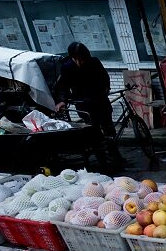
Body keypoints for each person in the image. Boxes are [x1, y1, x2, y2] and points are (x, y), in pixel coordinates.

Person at [53, 41, 124, 169]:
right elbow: (63, 86)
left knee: (109, 130)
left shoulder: (94, 62)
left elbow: (104, 77)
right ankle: (103, 162)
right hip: (84, 105)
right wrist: (63, 100)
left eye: (83, 59)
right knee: (94, 134)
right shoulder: (67, 67)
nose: (81, 62)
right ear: (73, 58)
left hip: (100, 101)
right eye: (78, 59)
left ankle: (116, 157)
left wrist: (106, 88)